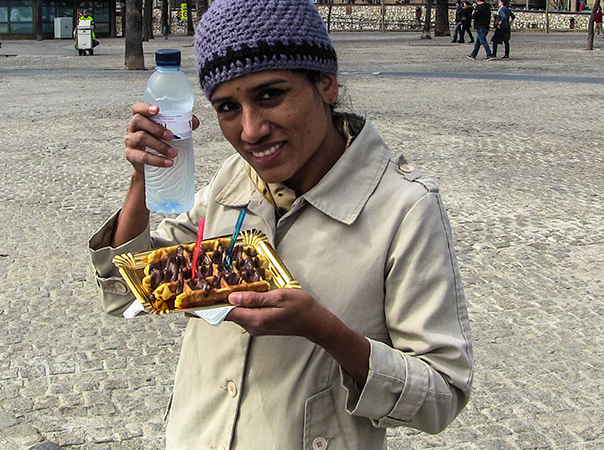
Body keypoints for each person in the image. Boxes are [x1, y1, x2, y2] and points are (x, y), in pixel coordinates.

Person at [88, 0, 473, 448]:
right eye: (228, 107)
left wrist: (325, 331)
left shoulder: (403, 209)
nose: (250, 130)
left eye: (270, 94)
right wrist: (143, 177)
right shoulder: (232, 181)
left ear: (326, 84)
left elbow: (442, 395)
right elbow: (126, 289)